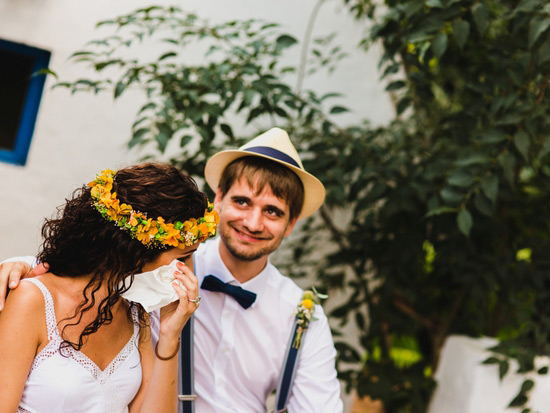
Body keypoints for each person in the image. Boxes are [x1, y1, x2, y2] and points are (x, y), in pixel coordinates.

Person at [0, 128, 343, 412]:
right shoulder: (163, 269)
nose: (253, 222)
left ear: (291, 223)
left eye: (272, 211)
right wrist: (21, 266)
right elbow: (88, 274)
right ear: (219, 198)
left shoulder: (303, 316)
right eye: (242, 202)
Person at [0, 162, 217, 412]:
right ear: (136, 252)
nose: (189, 271)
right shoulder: (31, 300)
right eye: (182, 258)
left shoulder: (136, 313)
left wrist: (169, 337)